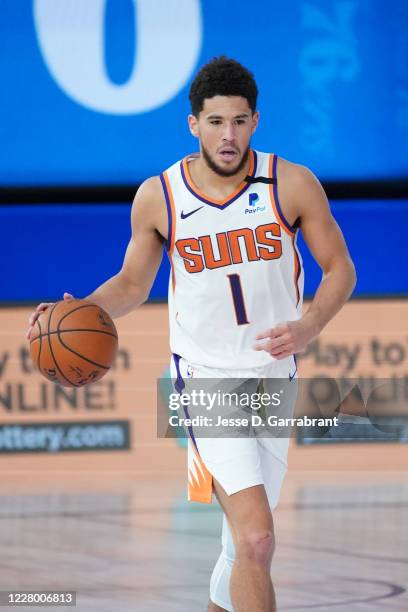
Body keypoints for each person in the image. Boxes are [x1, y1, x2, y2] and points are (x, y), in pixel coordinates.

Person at [27, 57, 356, 612]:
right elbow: (133, 283)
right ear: (192, 124)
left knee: (241, 548)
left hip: (275, 379)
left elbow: (341, 268)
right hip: (205, 382)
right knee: (257, 537)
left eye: (239, 121)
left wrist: (310, 325)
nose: (228, 135)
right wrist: (83, 307)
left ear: (256, 121)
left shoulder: (291, 183)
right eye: (215, 122)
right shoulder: (161, 196)